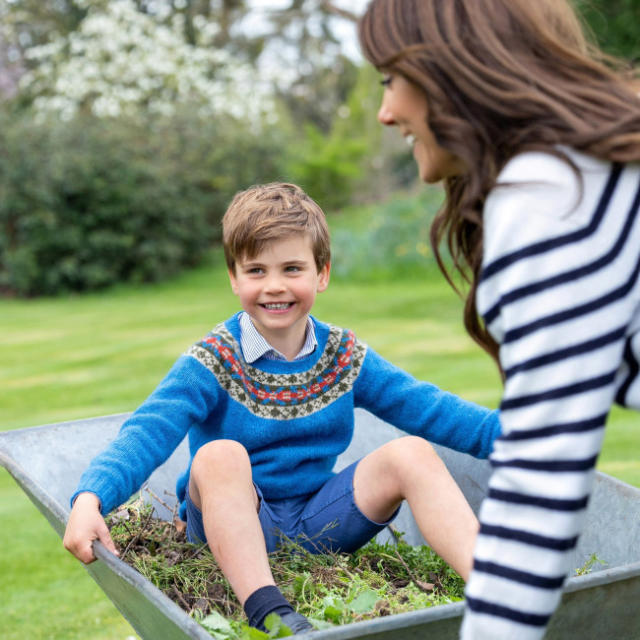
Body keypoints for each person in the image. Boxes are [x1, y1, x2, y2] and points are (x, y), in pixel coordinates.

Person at [63, 182, 501, 635]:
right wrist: (91, 497)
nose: (275, 286)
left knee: (411, 452)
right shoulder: (213, 360)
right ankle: (270, 613)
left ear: (322, 273)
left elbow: (428, 408)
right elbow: (148, 429)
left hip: (319, 519)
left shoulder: (342, 355)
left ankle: (494, 591)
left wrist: (526, 437)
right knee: (219, 455)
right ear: (233, 277)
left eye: (292, 268)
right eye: (256, 270)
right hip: (230, 526)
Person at [358, 0, 640, 638]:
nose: (385, 112)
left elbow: (539, 496)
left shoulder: (548, 204)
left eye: (389, 81)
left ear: (447, 73)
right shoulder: (587, 171)